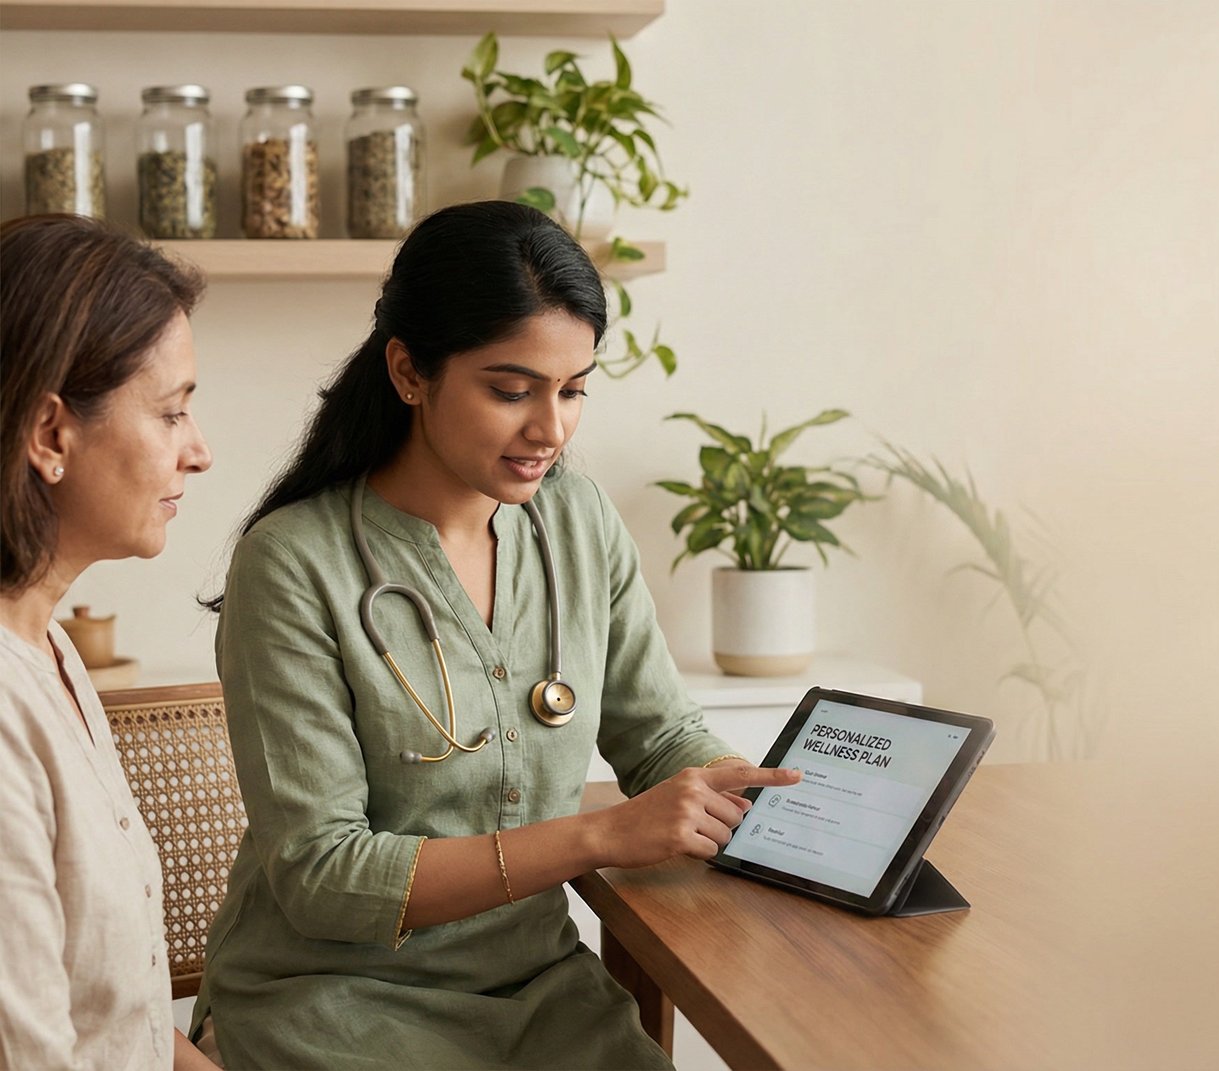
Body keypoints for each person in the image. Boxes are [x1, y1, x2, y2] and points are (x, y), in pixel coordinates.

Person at [191, 200, 800, 1069]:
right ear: (409, 370)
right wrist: (597, 835)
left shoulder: (578, 521)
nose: (549, 429)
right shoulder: (293, 564)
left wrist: (768, 807)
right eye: (511, 390)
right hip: (333, 999)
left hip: (536, 988)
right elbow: (324, 877)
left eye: (574, 389)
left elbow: (660, 734)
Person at [0, 215, 218, 1070]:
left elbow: (116, 1015)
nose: (199, 452)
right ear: (51, 435)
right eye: (172, 413)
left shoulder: (48, 651)